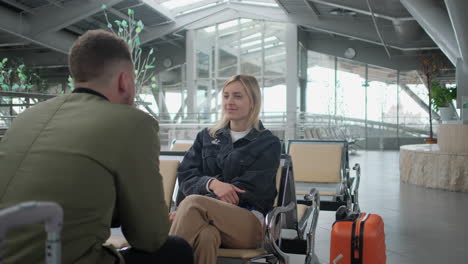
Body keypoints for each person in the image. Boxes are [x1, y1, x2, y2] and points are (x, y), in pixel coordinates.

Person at [0, 29, 192, 264]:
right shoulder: (133, 123)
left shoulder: (27, 117)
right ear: (125, 81)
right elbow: (149, 237)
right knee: (176, 250)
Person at [169, 74, 281, 264]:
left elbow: (248, 190)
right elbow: (186, 176)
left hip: (248, 223)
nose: (230, 102)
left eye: (238, 96)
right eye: (226, 96)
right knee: (205, 236)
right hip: (207, 217)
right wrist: (212, 184)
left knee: (193, 203)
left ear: (253, 101)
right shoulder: (206, 136)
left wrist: (187, 210)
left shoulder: (268, 143)